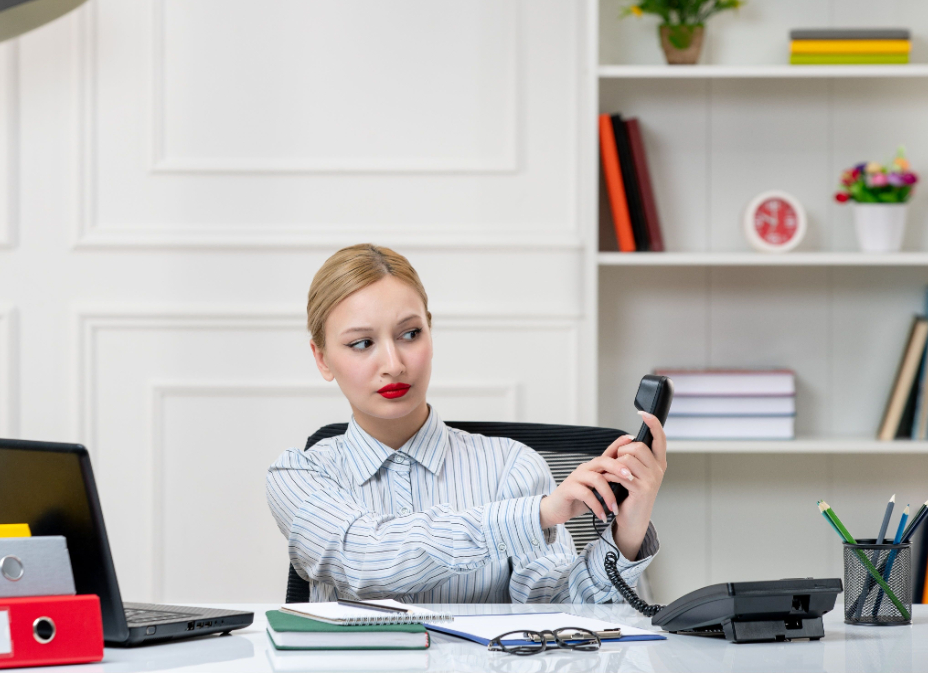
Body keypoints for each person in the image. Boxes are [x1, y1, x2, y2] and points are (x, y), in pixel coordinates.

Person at [265, 244, 667, 604]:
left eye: (410, 333)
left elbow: (558, 607)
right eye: (362, 343)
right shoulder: (300, 475)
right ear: (322, 359)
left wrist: (627, 532)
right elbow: (367, 560)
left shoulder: (512, 464)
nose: (394, 364)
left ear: (430, 335)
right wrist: (535, 515)